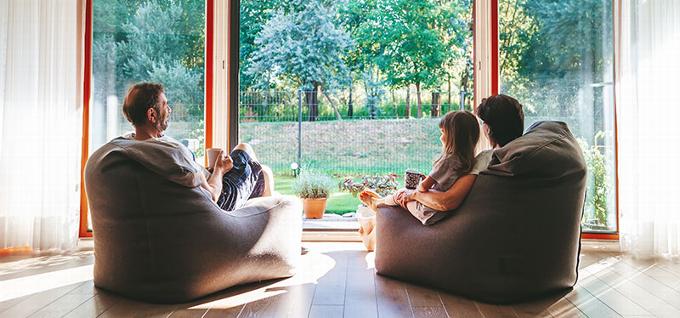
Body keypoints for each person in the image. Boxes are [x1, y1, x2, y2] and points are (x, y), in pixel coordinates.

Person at [120, 82, 274, 211]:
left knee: (263, 173)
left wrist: (208, 171)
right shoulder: (172, 153)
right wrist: (219, 169)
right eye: (165, 105)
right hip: (220, 201)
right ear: (152, 115)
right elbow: (212, 197)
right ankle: (269, 224)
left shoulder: (131, 146)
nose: (169, 110)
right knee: (246, 150)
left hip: (204, 189)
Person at [388, 94, 525, 215]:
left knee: (399, 196)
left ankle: (377, 208)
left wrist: (415, 195)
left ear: (488, 129)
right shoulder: (521, 154)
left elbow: (448, 201)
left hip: (450, 218)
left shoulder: (487, 158)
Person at [359, 111, 480, 225]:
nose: (440, 137)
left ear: (453, 136)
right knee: (406, 194)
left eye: (442, 132)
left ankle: (378, 203)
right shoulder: (468, 161)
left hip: (427, 211)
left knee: (401, 194)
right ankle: (382, 201)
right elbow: (447, 181)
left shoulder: (447, 161)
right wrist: (428, 179)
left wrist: (420, 185)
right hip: (443, 213)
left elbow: (423, 188)